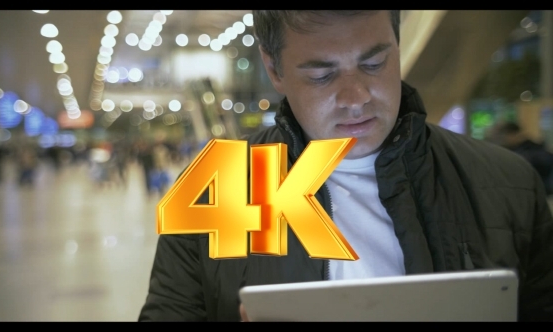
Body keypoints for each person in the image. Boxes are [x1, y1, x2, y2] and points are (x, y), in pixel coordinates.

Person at [139, 10, 553, 321]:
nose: (355, 97)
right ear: (273, 68)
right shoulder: (218, 189)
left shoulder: (505, 184)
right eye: (322, 75)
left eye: (374, 64)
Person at [488, 121, 553, 195]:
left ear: (514, 134)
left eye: (502, 135)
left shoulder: (534, 153)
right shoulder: (513, 150)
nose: (500, 140)